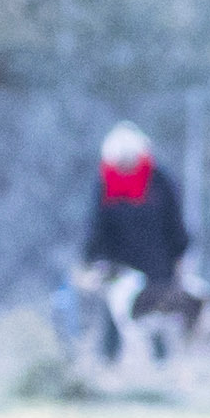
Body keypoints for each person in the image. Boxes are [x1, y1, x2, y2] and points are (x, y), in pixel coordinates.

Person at [81, 121, 194, 363]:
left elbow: (174, 221)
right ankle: (109, 365)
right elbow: (96, 225)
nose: (124, 166)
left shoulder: (160, 181)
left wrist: (180, 253)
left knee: (157, 318)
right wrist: (91, 258)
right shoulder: (105, 183)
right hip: (119, 265)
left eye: (128, 159)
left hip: (157, 262)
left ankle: (160, 369)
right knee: (113, 318)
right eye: (119, 161)